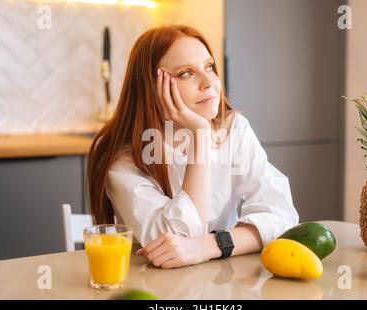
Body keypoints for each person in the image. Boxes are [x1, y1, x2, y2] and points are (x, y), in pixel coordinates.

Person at [87, 24, 299, 269]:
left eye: (209, 67)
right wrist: (200, 135)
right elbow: (175, 245)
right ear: (151, 89)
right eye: (186, 73)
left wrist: (210, 246)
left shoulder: (233, 129)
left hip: (222, 282)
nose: (209, 82)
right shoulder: (123, 158)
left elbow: (282, 217)